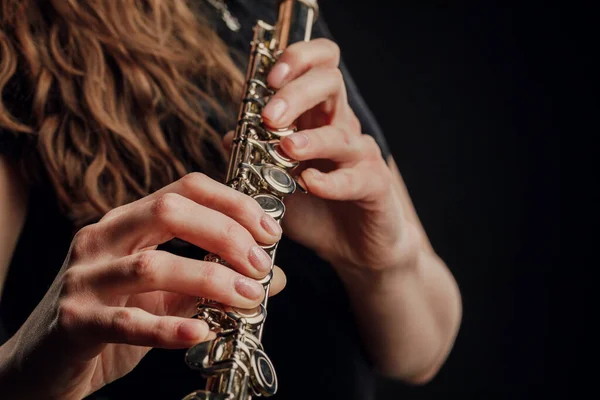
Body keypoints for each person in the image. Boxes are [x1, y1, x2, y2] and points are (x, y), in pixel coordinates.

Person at [0, 0, 462, 399]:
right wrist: (30, 375)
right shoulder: (15, 36)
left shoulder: (282, 20)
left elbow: (425, 352)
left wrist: (378, 265)